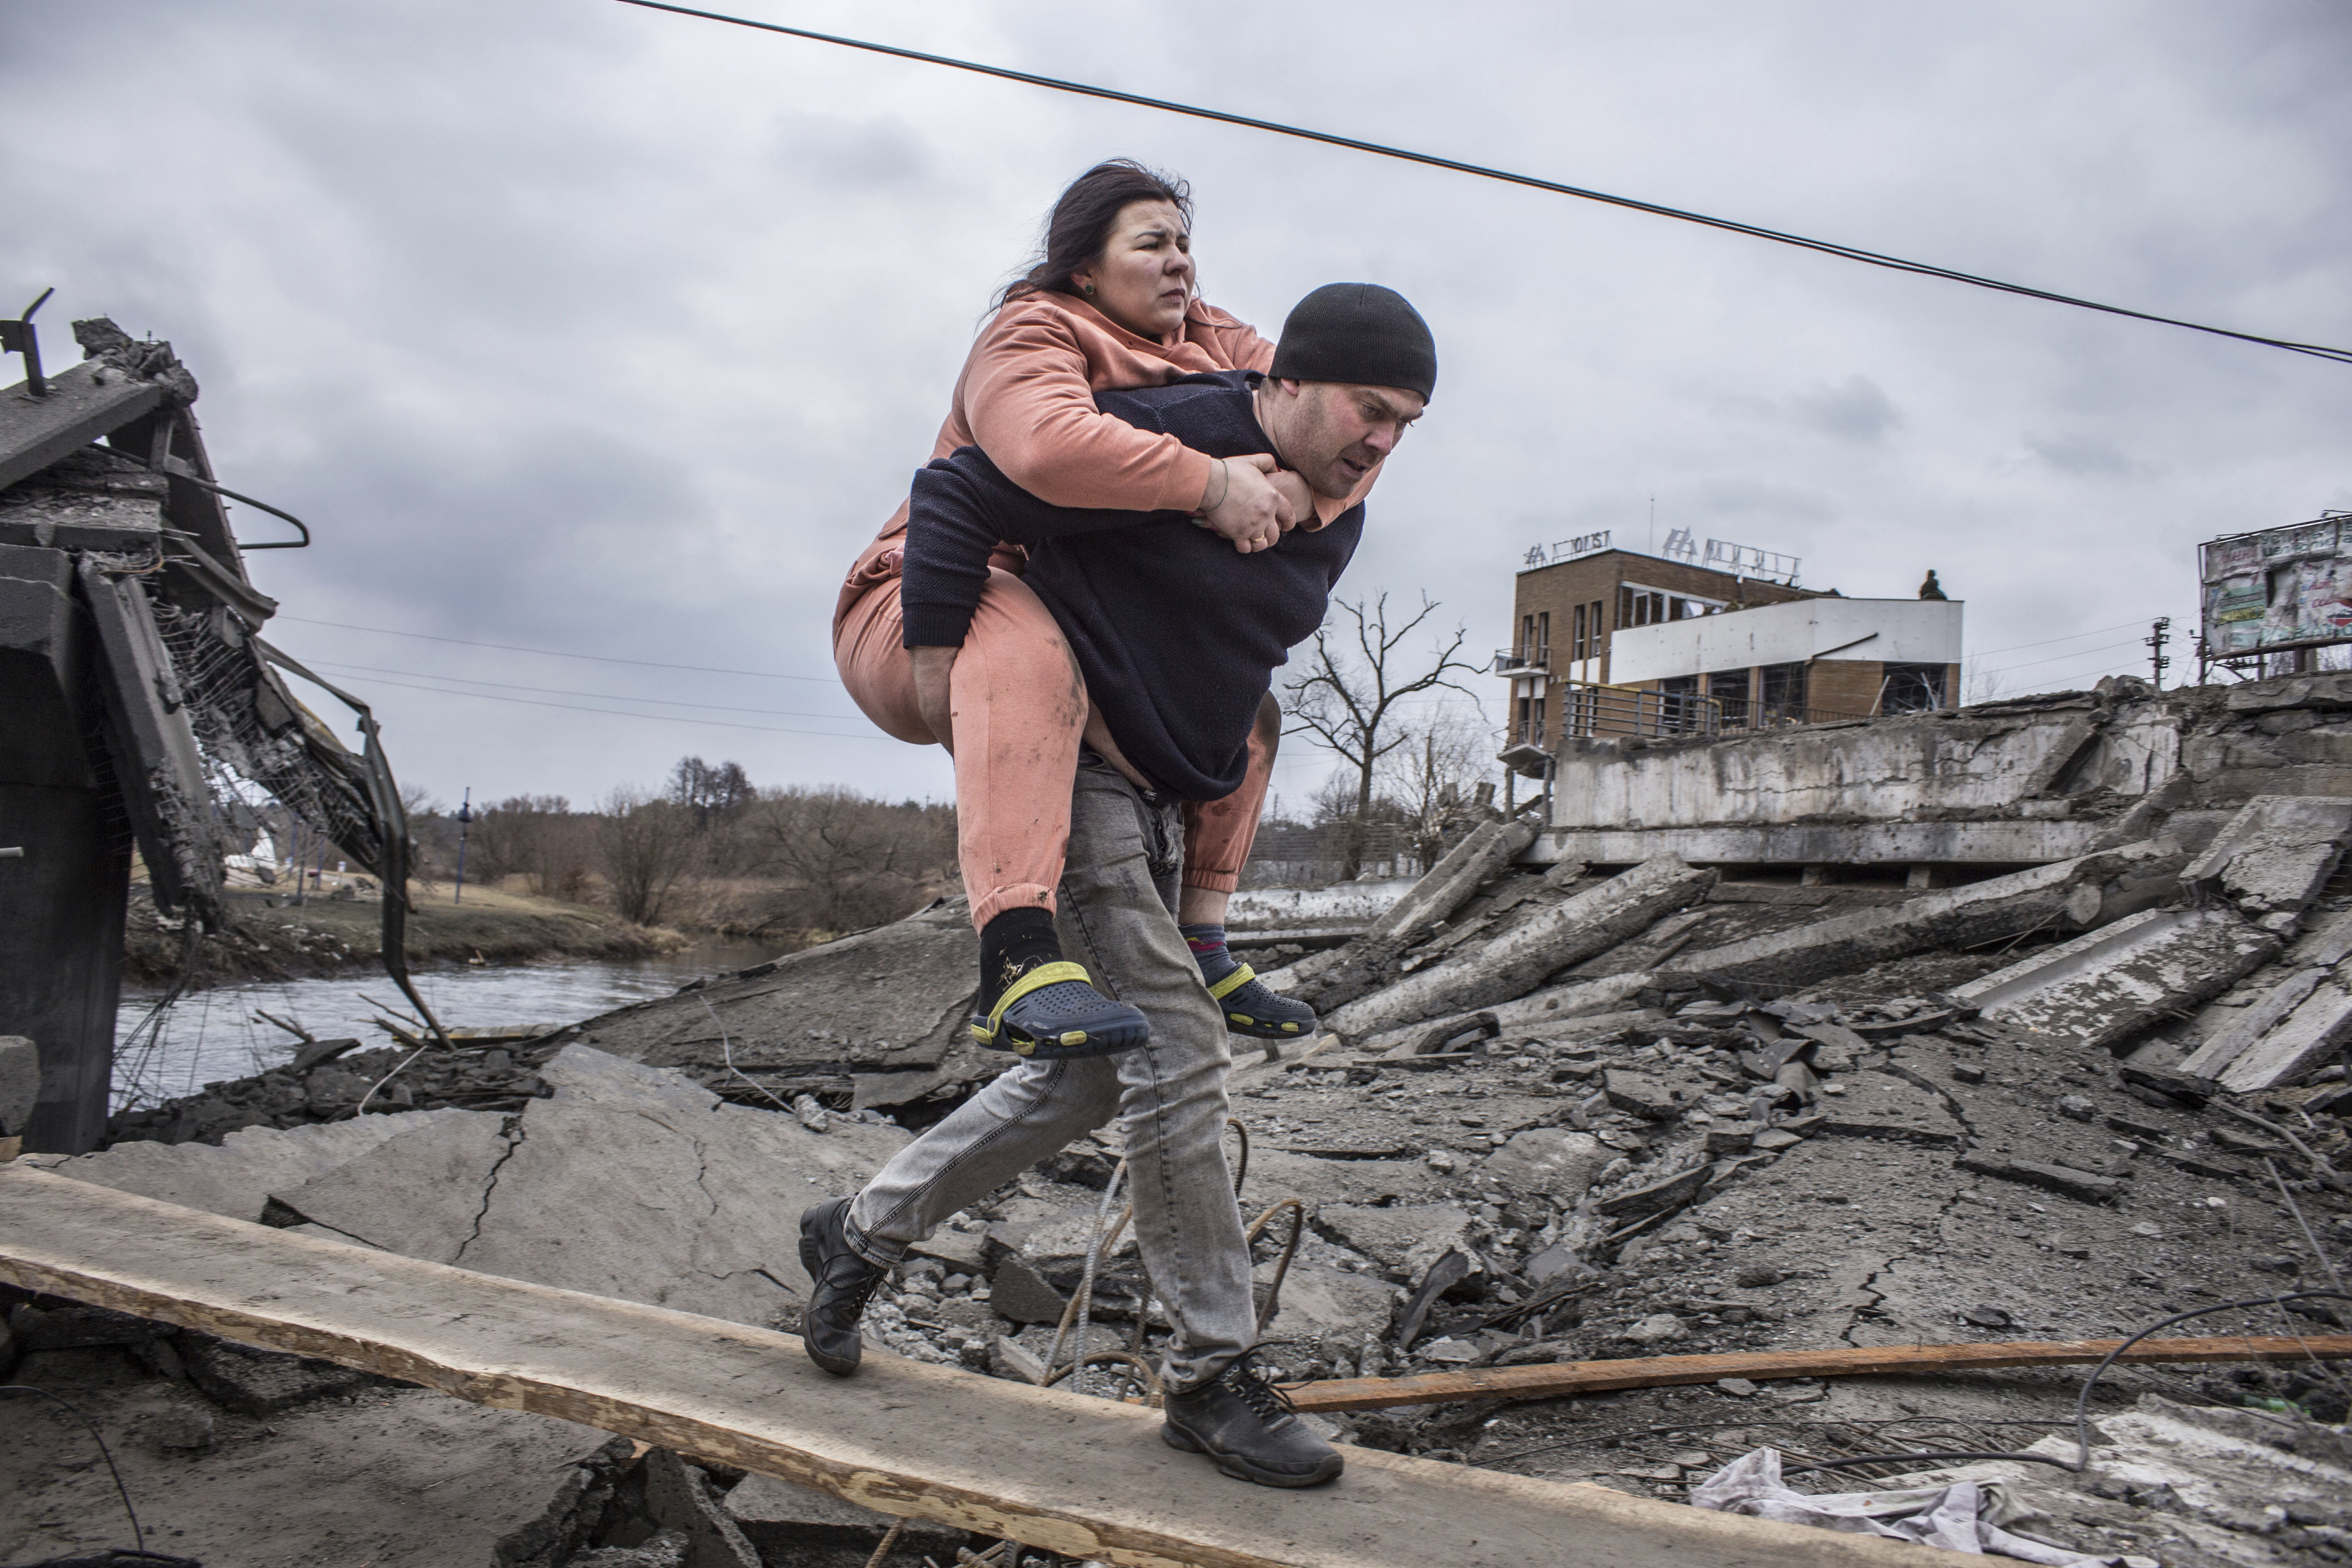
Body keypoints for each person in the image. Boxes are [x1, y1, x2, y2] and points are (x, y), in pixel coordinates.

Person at [802, 283, 1438, 1490]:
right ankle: (1209, 1374)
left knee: (1096, 1075)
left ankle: (862, 1227)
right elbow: (962, 489)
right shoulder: (1188, 433)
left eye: (1408, 422)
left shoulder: (1337, 504)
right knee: (1182, 1054)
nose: (1384, 442)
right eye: (1370, 410)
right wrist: (943, 661)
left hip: (1155, 799)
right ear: (1289, 385)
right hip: (1074, 766)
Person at [833, 161, 1383, 1059]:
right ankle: (1014, 959)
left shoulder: (1212, 337)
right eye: (1153, 243)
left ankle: (1206, 939)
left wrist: (1291, 490)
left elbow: (1339, 421)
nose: (1182, 265)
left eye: (1187, 244)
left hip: (1069, 616)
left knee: (1252, 718)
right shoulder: (1031, 331)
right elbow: (1043, 450)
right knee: (1019, 638)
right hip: (927, 594)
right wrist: (1211, 485)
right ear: (1086, 268)